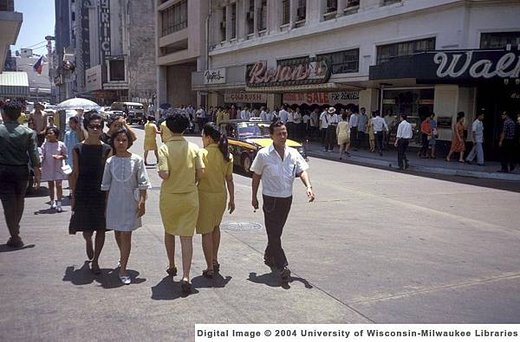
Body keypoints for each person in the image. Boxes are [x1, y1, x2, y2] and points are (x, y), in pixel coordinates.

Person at [250, 120, 315, 283]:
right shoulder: (263, 154)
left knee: (276, 232)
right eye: (279, 133)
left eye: (284, 132)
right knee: (273, 232)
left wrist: (308, 186)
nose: (282, 136)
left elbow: (302, 170)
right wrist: (254, 197)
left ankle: (269, 253)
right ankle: (283, 266)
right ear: (271, 135)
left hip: (286, 198)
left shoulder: (293, 153)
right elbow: (256, 176)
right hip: (270, 198)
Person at [158, 113, 204, 294]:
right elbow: (201, 172)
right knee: (187, 237)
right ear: (186, 128)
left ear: (168, 127)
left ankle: (171, 264)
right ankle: (186, 275)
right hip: (190, 196)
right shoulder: (194, 147)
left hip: (170, 196)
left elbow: (164, 174)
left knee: (169, 231)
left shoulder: (164, 148)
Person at [101, 128, 151, 284]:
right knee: (118, 232)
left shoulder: (137, 160)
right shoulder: (110, 161)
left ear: (129, 142)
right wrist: (105, 206)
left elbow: (143, 183)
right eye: (118, 140)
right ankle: (122, 257)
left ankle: (123, 269)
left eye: (124, 140)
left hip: (131, 203)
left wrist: (142, 202)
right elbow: (106, 185)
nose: (121, 143)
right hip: (114, 203)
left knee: (126, 234)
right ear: (113, 142)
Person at [69, 111, 112, 274]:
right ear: (87, 127)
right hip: (84, 191)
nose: (96, 129)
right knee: (87, 230)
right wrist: (73, 195)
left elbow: (109, 173)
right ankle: (88, 242)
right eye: (93, 126)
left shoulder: (107, 149)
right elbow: (75, 173)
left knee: (101, 227)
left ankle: (96, 261)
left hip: (101, 191)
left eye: (99, 126)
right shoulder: (77, 148)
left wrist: (109, 196)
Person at [0, 100, 41, 248]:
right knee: (19, 201)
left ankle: (15, 234)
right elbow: (34, 155)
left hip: (3, 171)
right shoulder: (28, 132)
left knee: (8, 203)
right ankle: (15, 231)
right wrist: (37, 174)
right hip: (22, 171)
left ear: (4, 114)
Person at [196, 123, 235, 278]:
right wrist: (232, 199)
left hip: (204, 196)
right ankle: (215, 259)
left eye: (203, 136)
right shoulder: (226, 155)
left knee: (206, 232)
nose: (202, 140)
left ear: (209, 137)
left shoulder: (201, 154)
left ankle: (209, 267)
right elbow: (230, 179)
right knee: (215, 228)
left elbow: (196, 176)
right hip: (221, 196)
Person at [39, 127, 68, 212]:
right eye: (48, 133)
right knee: (51, 185)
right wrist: (39, 164)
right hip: (48, 166)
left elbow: (66, 155)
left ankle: (59, 203)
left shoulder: (61, 144)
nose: (49, 135)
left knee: (59, 185)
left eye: (51, 133)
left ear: (56, 135)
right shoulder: (45, 144)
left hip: (58, 166)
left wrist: (60, 157)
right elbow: (41, 154)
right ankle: (52, 202)